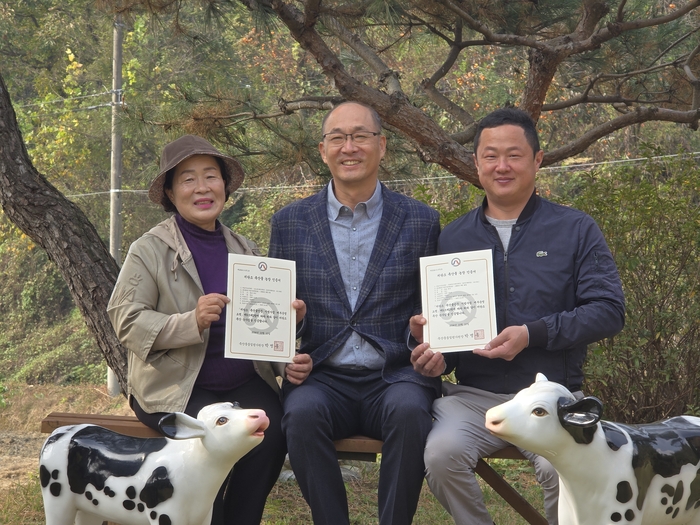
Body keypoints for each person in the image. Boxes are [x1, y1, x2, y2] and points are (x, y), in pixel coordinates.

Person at [410, 107, 625, 525]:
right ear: (476, 163)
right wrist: (434, 353)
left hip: (551, 396)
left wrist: (533, 333)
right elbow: (448, 336)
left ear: (537, 160)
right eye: (490, 156)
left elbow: (609, 311)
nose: (501, 166)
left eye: (514, 155)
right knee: (440, 455)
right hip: (472, 398)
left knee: (558, 470)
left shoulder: (575, 229)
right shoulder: (453, 237)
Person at [107, 135, 309, 525]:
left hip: (242, 380)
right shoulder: (149, 249)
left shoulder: (245, 250)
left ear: (224, 186)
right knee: (211, 442)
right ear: (169, 192)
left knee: (270, 432)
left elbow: (259, 330)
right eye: (188, 179)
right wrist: (191, 321)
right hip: (175, 386)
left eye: (211, 177)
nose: (202, 188)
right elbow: (125, 320)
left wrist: (287, 352)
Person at [268, 101, 442, 525]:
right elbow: (276, 313)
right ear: (323, 149)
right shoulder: (289, 222)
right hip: (323, 376)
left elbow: (432, 308)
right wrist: (283, 352)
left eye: (360, 136)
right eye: (338, 138)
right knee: (301, 414)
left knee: (410, 411)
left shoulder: (421, 220)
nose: (350, 147)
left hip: (396, 375)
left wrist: (432, 346)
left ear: (381, 146)